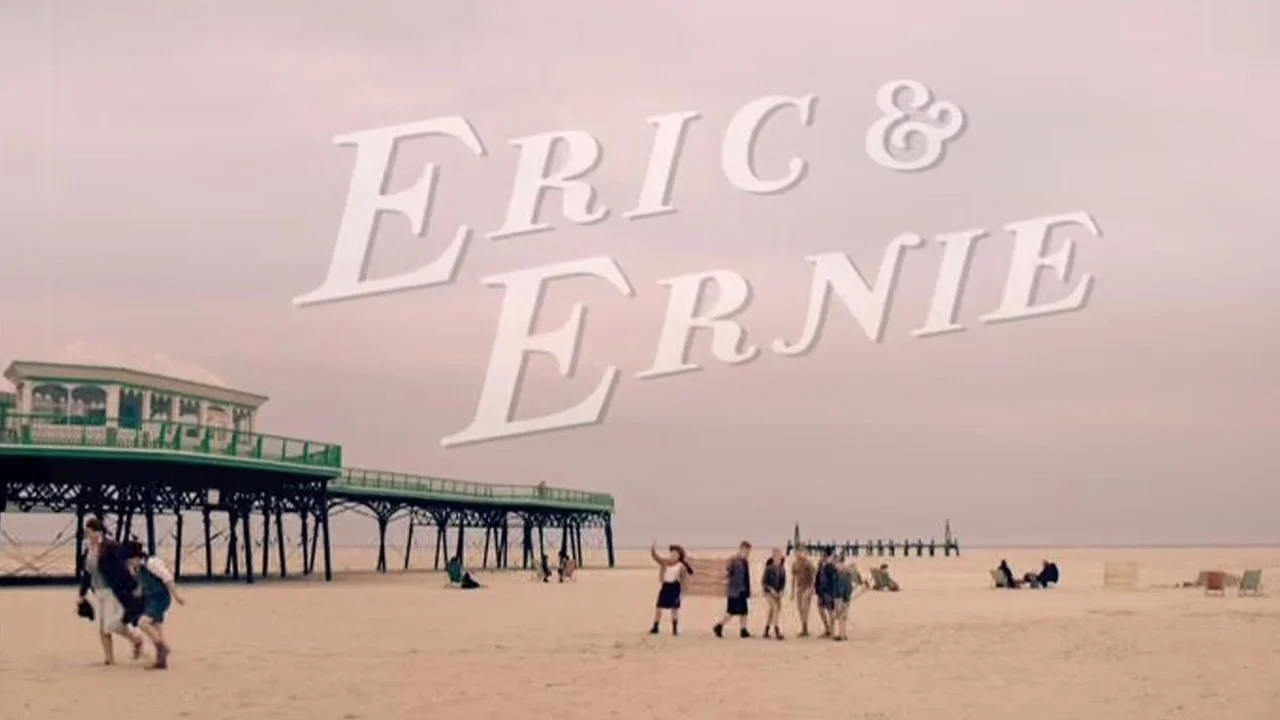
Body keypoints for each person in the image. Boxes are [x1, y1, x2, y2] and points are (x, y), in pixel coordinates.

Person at [76, 518, 147, 665]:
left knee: (112, 624)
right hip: (97, 591)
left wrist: (134, 582)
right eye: (87, 532)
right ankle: (109, 659)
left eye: (90, 532)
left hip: (111, 590)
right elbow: (87, 574)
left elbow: (124, 561)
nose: (88, 535)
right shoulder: (89, 550)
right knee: (101, 627)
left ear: (98, 531)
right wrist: (82, 594)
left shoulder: (109, 546)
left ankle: (136, 639)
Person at [124, 541, 185, 669]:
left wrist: (176, 595)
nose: (129, 563)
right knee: (156, 628)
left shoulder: (152, 563)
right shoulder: (136, 568)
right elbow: (141, 581)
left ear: (136, 557)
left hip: (160, 598)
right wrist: (139, 591)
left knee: (143, 623)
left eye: (130, 560)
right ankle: (161, 661)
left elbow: (167, 578)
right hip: (150, 598)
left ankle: (162, 647)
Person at [649, 542, 693, 636]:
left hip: (674, 587)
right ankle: (655, 627)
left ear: (679, 556)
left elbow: (685, 580)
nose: (673, 555)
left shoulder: (681, 566)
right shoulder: (665, 562)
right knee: (659, 607)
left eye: (675, 554)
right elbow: (657, 558)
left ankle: (675, 629)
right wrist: (653, 550)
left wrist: (683, 593)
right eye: (672, 553)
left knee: (674, 609)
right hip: (665, 586)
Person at [713, 541, 753, 638]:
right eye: (746, 552)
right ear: (741, 549)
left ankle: (743, 630)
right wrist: (723, 577)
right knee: (731, 612)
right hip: (734, 591)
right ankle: (719, 626)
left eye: (749, 552)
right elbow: (727, 572)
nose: (747, 554)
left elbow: (746, 577)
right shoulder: (733, 560)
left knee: (744, 611)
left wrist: (748, 591)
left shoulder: (745, 562)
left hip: (743, 590)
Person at [789, 549, 817, 637]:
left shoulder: (808, 563)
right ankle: (804, 627)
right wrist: (792, 592)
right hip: (799, 589)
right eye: (796, 553)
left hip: (807, 588)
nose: (798, 554)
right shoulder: (794, 564)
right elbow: (793, 578)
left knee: (805, 609)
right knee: (800, 609)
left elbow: (815, 574)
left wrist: (812, 588)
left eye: (799, 552)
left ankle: (805, 629)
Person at [761, 548, 787, 640]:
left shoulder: (782, 568)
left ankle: (766, 631)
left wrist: (781, 591)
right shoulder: (769, 568)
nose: (778, 558)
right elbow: (763, 582)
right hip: (768, 593)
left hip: (777, 593)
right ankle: (777, 630)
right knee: (775, 608)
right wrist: (771, 590)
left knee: (773, 611)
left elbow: (783, 582)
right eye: (776, 556)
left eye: (779, 556)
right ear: (773, 557)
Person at [814, 549, 838, 637]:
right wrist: (816, 590)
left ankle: (831, 631)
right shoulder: (820, 566)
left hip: (829, 592)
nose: (821, 557)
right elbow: (817, 578)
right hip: (821, 592)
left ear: (827, 557)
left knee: (830, 611)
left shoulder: (830, 567)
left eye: (823, 556)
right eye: (821, 556)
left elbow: (835, 579)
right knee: (821, 610)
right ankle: (827, 629)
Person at [832, 555, 856, 641]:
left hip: (841, 597)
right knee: (842, 616)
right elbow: (850, 587)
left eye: (837, 564)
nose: (835, 566)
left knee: (841, 617)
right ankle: (843, 634)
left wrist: (841, 599)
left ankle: (842, 635)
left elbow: (842, 587)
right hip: (845, 597)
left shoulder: (843, 575)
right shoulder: (847, 574)